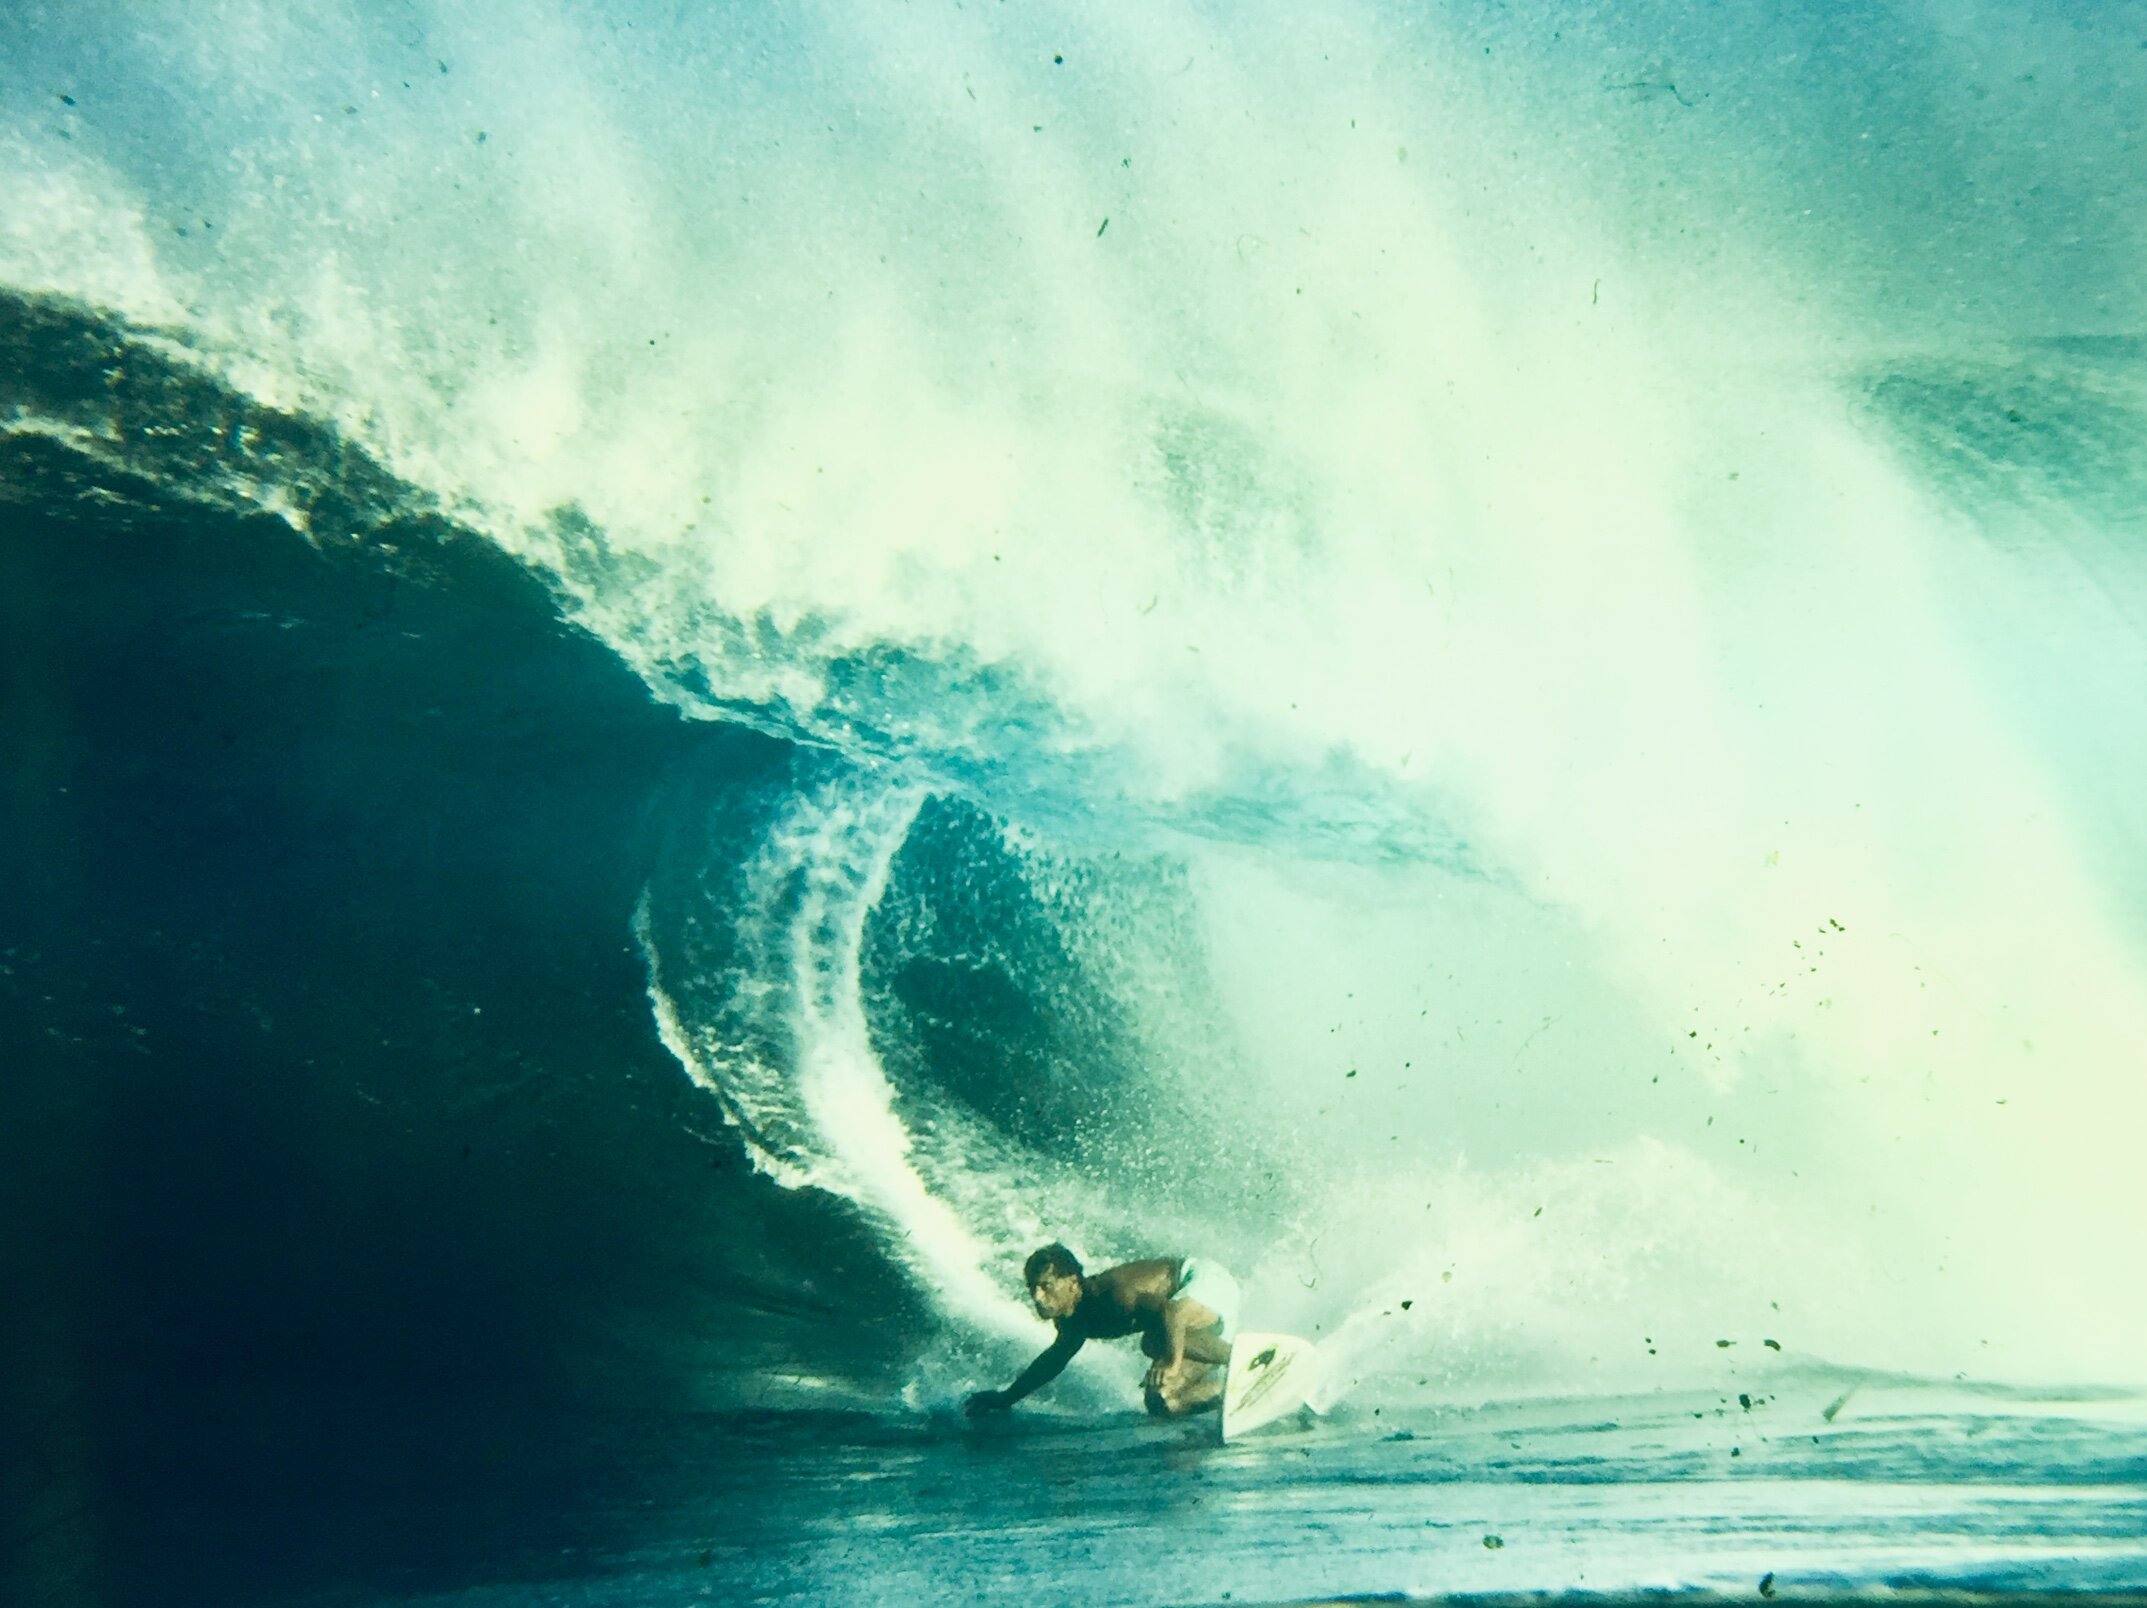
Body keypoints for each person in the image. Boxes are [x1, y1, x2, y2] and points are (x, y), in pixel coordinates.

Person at [964, 1244, 1240, 1419]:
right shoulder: (1072, 1321)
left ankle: (1248, 1359)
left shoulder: (1115, 1295)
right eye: (1031, 1288)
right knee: (1161, 1402)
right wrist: (1006, 1398)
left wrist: (1171, 1362)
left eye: (1046, 1286)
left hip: (1203, 1283)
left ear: (1072, 1283)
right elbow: (1054, 1360)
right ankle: (1233, 1389)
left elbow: (1172, 1313)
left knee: (1153, 1342)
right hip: (1192, 1327)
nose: (1037, 1297)